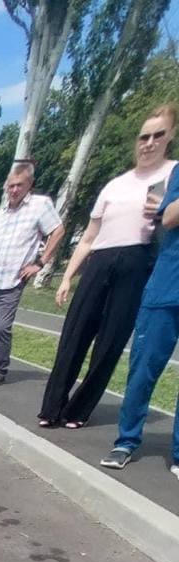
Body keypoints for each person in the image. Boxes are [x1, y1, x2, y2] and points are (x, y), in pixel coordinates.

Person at [39, 106, 177, 430]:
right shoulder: (116, 184)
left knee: (110, 342)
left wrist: (165, 209)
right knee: (74, 335)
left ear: (170, 137)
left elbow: (167, 225)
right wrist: (67, 277)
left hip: (138, 259)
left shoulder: (172, 175)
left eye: (158, 135)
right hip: (100, 260)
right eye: (144, 136)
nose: (149, 143)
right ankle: (52, 406)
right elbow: (88, 237)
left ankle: (78, 409)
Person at [100, 155, 179, 480]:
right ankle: (127, 440)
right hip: (168, 285)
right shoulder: (176, 174)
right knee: (143, 368)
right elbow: (170, 217)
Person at [0, 163, 64, 387]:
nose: (14, 190)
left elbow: (58, 230)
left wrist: (40, 262)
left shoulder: (40, 206)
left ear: (29, 185)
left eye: (19, 185)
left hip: (12, 282)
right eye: (10, 186)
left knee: (1, 327)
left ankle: (0, 369)